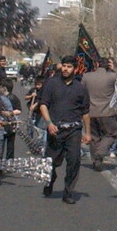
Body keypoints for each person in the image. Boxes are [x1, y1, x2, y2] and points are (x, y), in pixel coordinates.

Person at [39, 56, 91, 203]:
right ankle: (49, 181)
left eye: (69, 67)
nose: (65, 69)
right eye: (64, 66)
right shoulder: (51, 84)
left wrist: (87, 133)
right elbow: (43, 104)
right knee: (51, 162)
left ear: (75, 69)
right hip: (55, 130)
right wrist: (49, 123)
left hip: (73, 130)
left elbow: (85, 112)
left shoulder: (80, 88)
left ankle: (68, 192)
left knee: (74, 161)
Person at [82, 57, 117, 171]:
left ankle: (95, 159)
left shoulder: (87, 76)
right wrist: (114, 70)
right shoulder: (112, 76)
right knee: (110, 134)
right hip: (107, 112)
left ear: (96, 64)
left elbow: (81, 91)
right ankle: (100, 153)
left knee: (94, 137)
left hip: (91, 112)